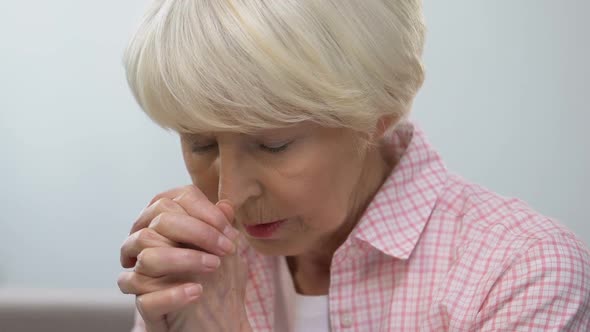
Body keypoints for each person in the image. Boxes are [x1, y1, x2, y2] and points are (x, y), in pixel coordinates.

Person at [117, 0, 590, 331]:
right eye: (200, 144)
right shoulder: (195, 267)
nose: (229, 194)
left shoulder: (521, 271)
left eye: (274, 145)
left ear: (378, 112)